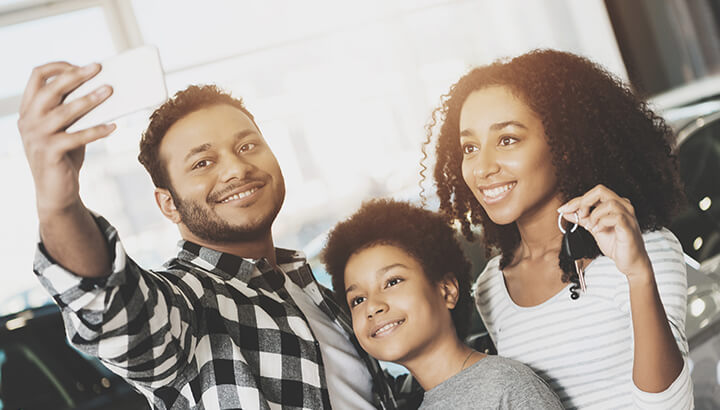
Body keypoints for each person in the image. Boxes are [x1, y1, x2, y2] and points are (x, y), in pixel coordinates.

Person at [18, 62, 403, 409]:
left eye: (247, 145)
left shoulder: (313, 292)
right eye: (203, 162)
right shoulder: (187, 305)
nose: (236, 167)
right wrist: (60, 205)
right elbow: (116, 310)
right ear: (168, 204)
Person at [423, 49, 694, 408]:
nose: (482, 167)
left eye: (507, 140)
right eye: (470, 147)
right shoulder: (491, 287)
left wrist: (638, 275)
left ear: (564, 145)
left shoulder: (647, 250)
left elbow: (669, 405)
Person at [321, 199, 564, 409]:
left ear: (447, 290)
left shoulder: (505, 386)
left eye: (392, 281)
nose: (372, 306)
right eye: (358, 299)